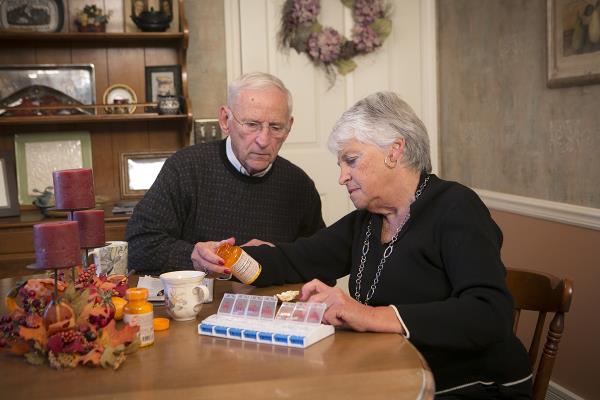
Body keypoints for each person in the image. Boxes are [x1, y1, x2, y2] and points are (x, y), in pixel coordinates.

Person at [193, 92, 533, 398]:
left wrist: (368, 315)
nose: (342, 176)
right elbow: (296, 259)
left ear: (394, 151)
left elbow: (490, 313)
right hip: (395, 369)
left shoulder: (456, 206)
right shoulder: (369, 219)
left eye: (351, 160)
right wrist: (227, 257)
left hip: (472, 384)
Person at [126, 72, 325, 275]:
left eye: (276, 127)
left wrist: (281, 257)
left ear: (289, 127)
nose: (264, 140)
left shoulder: (299, 186)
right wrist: (192, 256)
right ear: (225, 120)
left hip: (271, 304)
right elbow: (138, 246)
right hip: (202, 303)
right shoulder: (186, 168)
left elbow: (322, 266)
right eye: (251, 125)